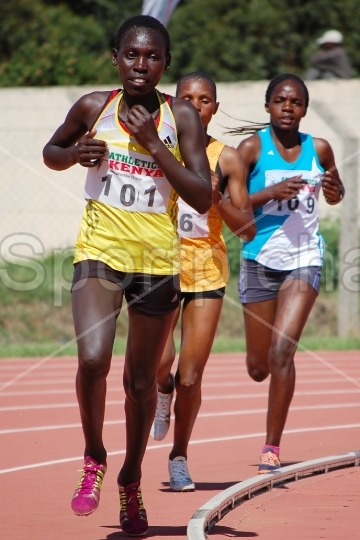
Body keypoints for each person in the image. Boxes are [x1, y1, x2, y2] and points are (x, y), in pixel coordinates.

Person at [43, 15, 212, 537]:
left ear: (166, 62)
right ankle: (94, 454)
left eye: (153, 57)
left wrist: (155, 146)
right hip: (100, 252)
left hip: (158, 266)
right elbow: (52, 152)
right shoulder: (95, 106)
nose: (142, 65)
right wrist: (76, 155)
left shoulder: (181, 115)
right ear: (115, 57)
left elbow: (204, 196)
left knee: (140, 384)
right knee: (93, 360)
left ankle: (131, 478)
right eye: (132, 55)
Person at [149, 72, 255, 491]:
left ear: (214, 107)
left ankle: (179, 457)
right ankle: (162, 392)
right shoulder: (156, 148)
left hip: (206, 268)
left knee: (190, 376)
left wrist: (218, 201)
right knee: (161, 364)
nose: (195, 105)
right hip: (158, 265)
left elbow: (246, 227)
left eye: (205, 99)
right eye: (186, 98)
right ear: (175, 104)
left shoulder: (226, 159)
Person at [234, 73, 344, 474]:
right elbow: (231, 205)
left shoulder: (320, 148)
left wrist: (333, 190)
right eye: (280, 100)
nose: (287, 107)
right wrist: (268, 194)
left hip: (304, 259)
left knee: (282, 352)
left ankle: (271, 447)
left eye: (295, 102)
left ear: (304, 109)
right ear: (268, 106)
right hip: (259, 259)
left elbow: (335, 191)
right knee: (258, 366)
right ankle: (263, 379)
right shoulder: (250, 150)